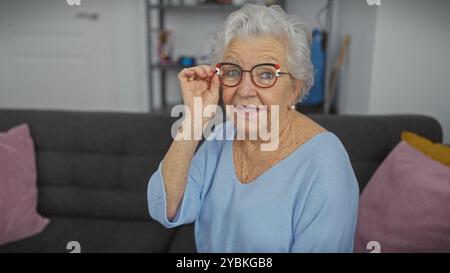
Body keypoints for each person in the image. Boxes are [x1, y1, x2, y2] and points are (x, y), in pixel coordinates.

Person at [147, 3, 359, 253]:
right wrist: (195, 119)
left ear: (295, 89)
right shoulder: (221, 136)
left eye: (266, 74)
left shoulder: (326, 164)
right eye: (233, 71)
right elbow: (166, 207)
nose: (245, 91)